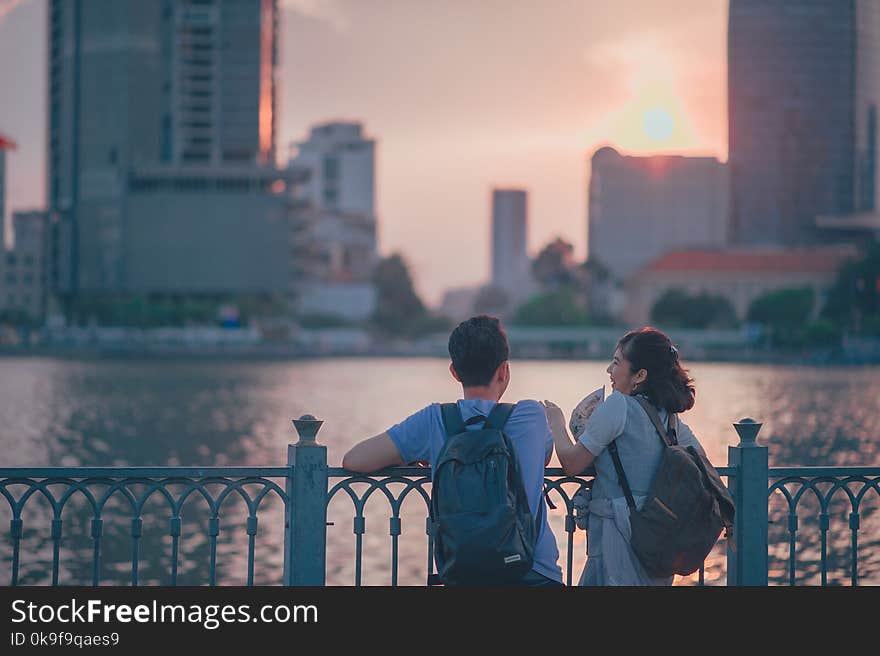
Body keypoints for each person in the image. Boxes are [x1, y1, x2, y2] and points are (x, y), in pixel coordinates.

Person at [342, 315, 564, 586]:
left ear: (454, 372)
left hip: (463, 573)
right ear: (504, 370)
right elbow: (543, 459)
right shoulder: (531, 415)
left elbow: (355, 460)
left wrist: (420, 454)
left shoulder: (434, 420)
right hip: (532, 570)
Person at [542, 326, 706, 586]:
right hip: (657, 537)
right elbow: (700, 462)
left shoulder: (618, 405)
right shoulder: (670, 418)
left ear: (639, 375)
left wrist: (557, 424)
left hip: (617, 536)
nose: (609, 370)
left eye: (617, 362)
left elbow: (572, 464)